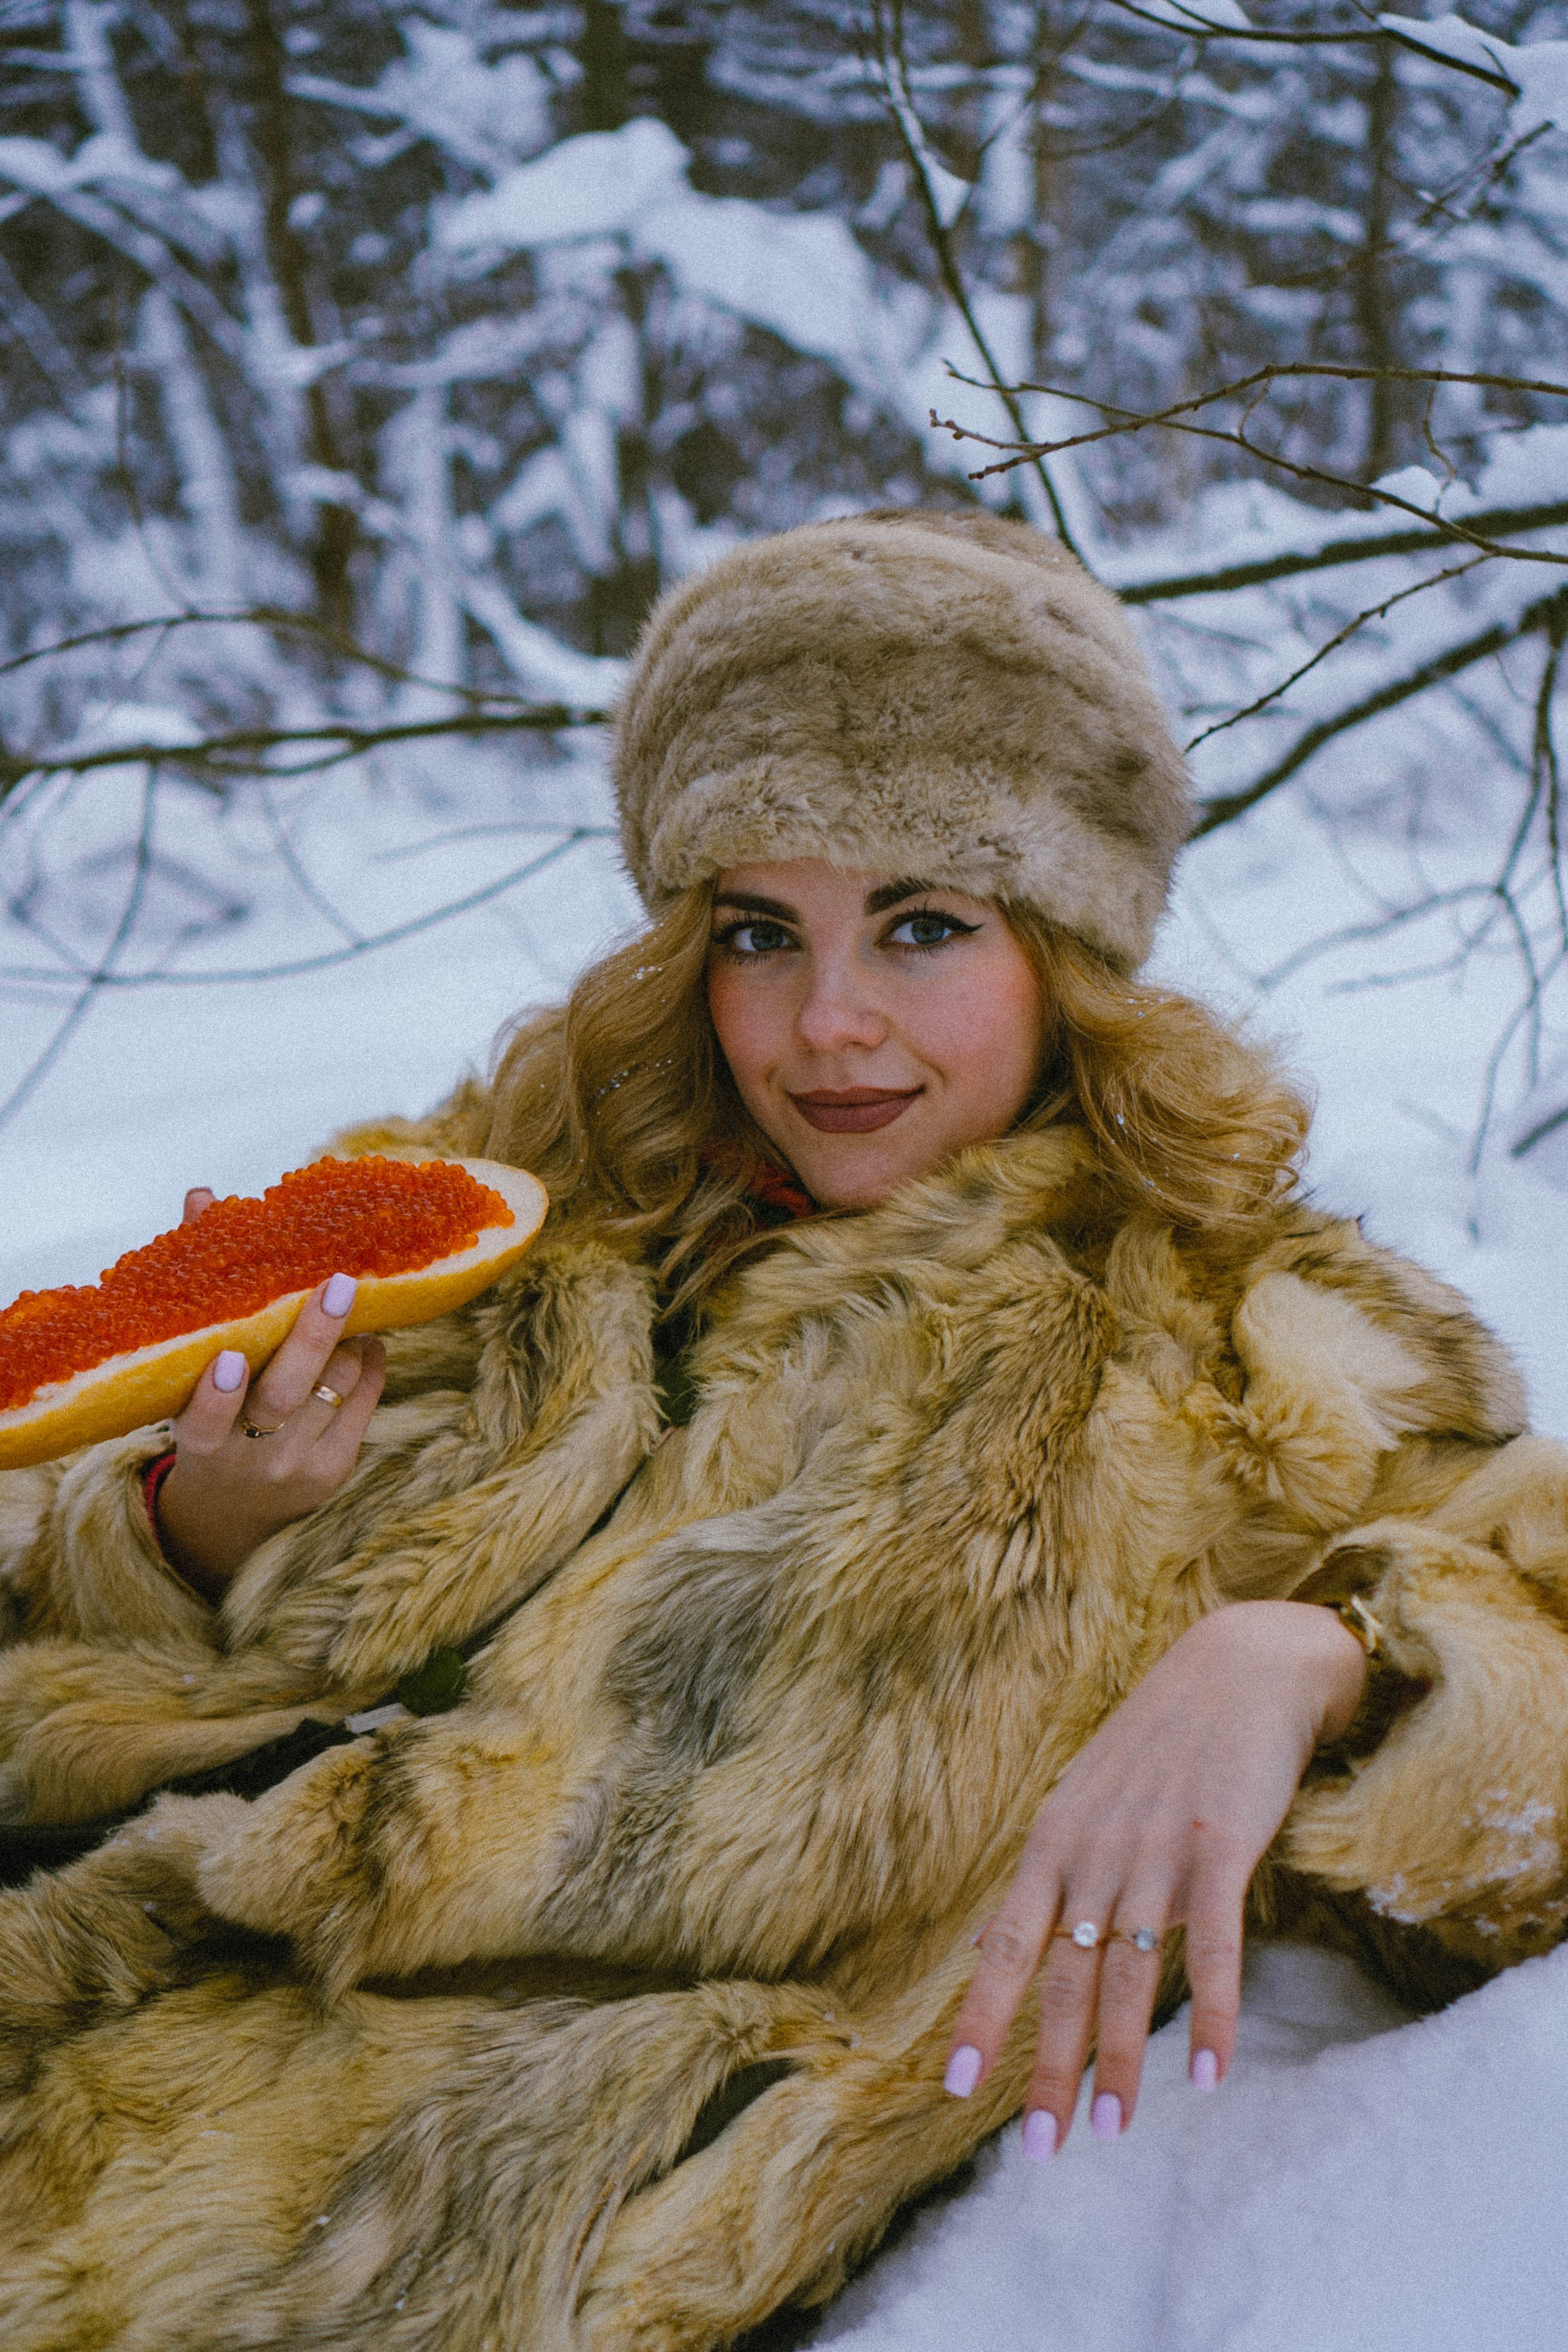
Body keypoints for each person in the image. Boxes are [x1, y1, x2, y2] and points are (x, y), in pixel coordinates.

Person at [1, 509, 1566, 2352]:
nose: (827, 1024)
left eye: (923, 927)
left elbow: (1527, 1730)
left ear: (1064, 947)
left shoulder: (1261, 1340)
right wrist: (185, 1534)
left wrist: (1311, 1652)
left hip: (413, 2220)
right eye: (762, 933)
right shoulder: (508, 1219)